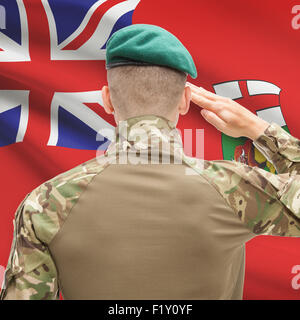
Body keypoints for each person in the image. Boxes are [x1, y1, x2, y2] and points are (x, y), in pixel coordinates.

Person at [1, 24, 300, 300]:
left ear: (107, 99)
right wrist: (258, 129)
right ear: (185, 100)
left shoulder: (45, 204)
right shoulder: (235, 188)